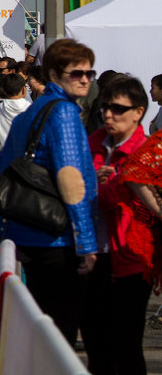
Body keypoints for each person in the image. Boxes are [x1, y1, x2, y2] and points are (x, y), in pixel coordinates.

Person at [0, 39, 99, 345]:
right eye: (77, 73)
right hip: (57, 239)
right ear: (54, 74)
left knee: (38, 331)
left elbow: (2, 172)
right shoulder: (64, 113)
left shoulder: (32, 113)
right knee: (59, 335)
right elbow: (72, 182)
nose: (86, 79)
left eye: (90, 73)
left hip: (25, 233)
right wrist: (87, 242)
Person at [81, 74, 152, 375]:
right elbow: (74, 189)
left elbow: (108, 197)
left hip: (131, 258)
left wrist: (96, 185)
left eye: (118, 109)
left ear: (138, 112)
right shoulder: (95, 141)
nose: (109, 114)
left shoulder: (145, 152)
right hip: (91, 252)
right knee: (95, 340)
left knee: (126, 344)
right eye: (104, 107)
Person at [0, 73, 31, 155]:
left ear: (4, 91)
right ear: (24, 89)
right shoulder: (32, 108)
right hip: (27, 159)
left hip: (5, 157)